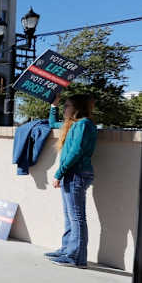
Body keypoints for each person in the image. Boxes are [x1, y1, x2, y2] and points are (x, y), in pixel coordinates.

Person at [45, 93, 97, 268]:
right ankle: (66, 250)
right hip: (72, 174)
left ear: (77, 108)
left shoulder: (84, 125)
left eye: (67, 106)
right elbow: (52, 124)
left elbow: (76, 152)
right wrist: (54, 106)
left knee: (77, 217)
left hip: (77, 174)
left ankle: (77, 258)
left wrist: (59, 173)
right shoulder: (72, 125)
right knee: (70, 216)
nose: (65, 109)